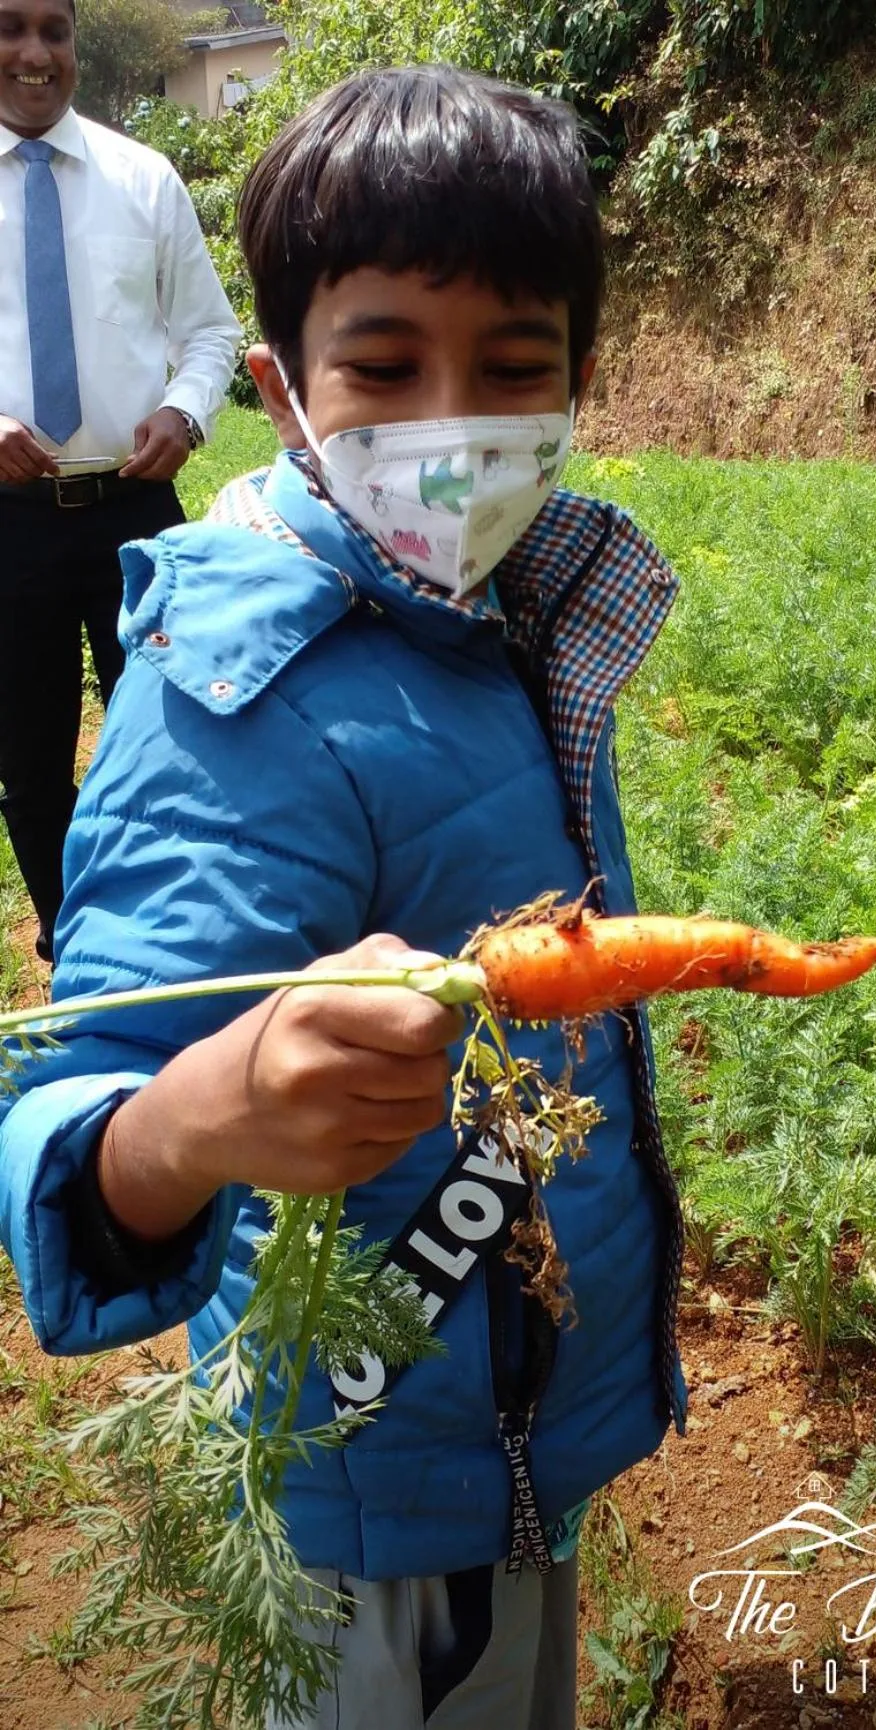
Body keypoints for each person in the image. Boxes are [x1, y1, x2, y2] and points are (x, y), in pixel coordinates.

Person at [0, 65, 686, 1729]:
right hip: (368, 1458)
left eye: (511, 371)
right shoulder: (239, 695)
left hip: (508, 1412)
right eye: (382, 369)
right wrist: (209, 1108)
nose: (451, 430)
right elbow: (69, 1118)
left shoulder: (519, 614)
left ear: (580, 380)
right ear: (280, 390)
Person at [0, 0, 242, 961]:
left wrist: (184, 412)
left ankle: (173, 937)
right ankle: (76, 951)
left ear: (74, 45)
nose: (33, 53)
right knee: (27, 756)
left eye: (52, 31)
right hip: (8, 525)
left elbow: (211, 331)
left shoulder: (143, 179)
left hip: (137, 509)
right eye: (9, 28)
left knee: (179, 740)